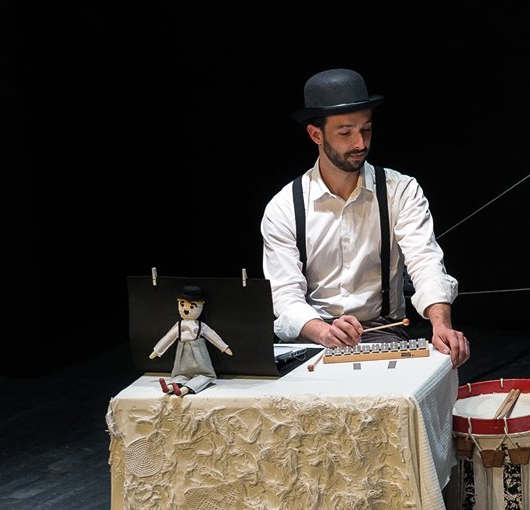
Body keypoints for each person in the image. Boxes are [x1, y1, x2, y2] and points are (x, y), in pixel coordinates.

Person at [260, 68, 471, 366]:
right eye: (345, 132)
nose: (360, 143)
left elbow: (425, 262)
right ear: (315, 134)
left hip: (381, 332)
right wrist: (323, 331)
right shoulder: (284, 207)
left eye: (366, 129)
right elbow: (284, 295)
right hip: (310, 338)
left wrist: (441, 324)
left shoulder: (400, 191)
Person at [148, 284, 234, 396]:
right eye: (182, 305)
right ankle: (171, 387)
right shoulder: (179, 325)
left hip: (197, 353)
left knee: (197, 375)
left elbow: (212, 336)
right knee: (188, 375)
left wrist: (224, 347)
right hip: (184, 353)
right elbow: (168, 338)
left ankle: (181, 388)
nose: (186, 310)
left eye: (192, 307)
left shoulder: (200, 326)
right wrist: (157, 350)